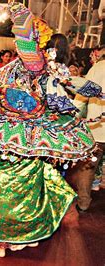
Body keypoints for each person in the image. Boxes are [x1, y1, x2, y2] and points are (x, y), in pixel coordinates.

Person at [0, 2, 102, 257]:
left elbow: (72, 82)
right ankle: (1, 238)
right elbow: (70, 80)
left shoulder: (40, 63)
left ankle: (24, 234)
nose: (23, 44)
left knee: (28, 187)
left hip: (33, 133)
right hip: (17, 131)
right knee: (6, 186)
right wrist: (19, 13)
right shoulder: (30, 64)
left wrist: (19, 11)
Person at [72, 45, 105, 210]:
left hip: (98, 130)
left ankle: (83, 204)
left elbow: (82, 95)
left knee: (88, 167)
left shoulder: (98, 68)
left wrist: (72, 114)